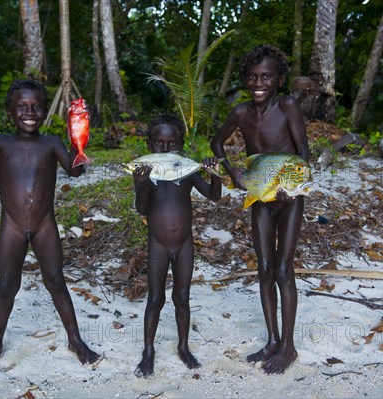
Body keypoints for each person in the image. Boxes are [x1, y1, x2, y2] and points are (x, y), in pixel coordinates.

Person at [0, 80, 100, 376]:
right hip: (12, 227)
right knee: (7, 286)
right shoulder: (1, 142)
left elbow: (76, 169)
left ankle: (75, 340)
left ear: (44, 112)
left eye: (36, 107)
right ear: (10, 111)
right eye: (22, 107)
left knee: (56, 281)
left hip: (44, 225)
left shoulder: (51, 143)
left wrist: (79, 132)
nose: (29, 112)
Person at [210, 45, 310, 374]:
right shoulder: (240, 113)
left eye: (266, 76)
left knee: (283, 269)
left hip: (289, 197)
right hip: (260, 196)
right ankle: (271, 340)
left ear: (278, 79)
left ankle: (289, 347)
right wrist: (231, 172)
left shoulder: (288, 105)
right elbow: (216, 142)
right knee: (264, 268)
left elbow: (303, 151)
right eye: (252, 77)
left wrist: (292, 187)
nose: (258, 83)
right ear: (245, 80)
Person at [132, 114, 221, 377]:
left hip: (184, 246)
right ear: (150, 145)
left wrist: (215, 174)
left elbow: (214, 196)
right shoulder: (145, 170)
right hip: (158, 244)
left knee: (182, 298)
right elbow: (142, 209)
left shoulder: (187, 170)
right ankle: (148, 351)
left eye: (172, 143)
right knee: (156, 299)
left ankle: (183, 346)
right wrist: (141, 186)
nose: (165, 148)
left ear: (180, 144)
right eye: (159, 143)